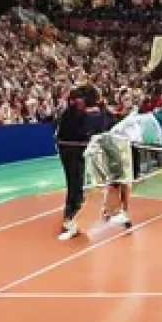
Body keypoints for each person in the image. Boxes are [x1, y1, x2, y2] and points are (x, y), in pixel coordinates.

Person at [84, 103, 162, 231]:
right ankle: (111, 211)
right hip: (114, 151)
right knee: (115, 183)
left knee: (124, 184)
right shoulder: (114, 123)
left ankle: (121, 211)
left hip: (127, 150)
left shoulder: (133, 120)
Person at [55, 85, 111, 241]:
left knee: (77, 182)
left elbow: (100, 124)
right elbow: (95, 124)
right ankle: (70, 218)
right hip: (69, 150)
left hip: (75, 149)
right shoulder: (73, 113)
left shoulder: (82, 112)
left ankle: (74, 212)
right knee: (74, 182)